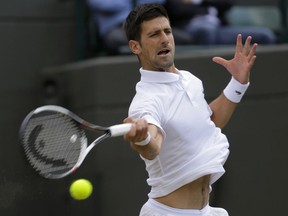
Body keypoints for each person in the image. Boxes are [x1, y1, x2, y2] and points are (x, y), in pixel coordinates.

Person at [122, 3, 257, 216]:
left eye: (167, 31)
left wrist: (238, 84)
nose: (164, 39)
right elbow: (153, 146)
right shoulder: (145, 101)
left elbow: (209, 121)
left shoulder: (190, 80)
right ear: (135, 46)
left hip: (206, 211)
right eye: (154, 34)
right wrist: (142, 139)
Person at [86, 0, 192, 55]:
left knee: (183, 38)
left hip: (150, 26)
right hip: (119, 29)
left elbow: (157, 2)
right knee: (116, 40)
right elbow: (104, 4)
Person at [164, 0, 276, 45]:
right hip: (191, 28)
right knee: (207, 30)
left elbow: (227, 3)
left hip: (220, 29)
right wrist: (207, 8)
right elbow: (177, 9)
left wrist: (198, 1)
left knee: (265, 36)